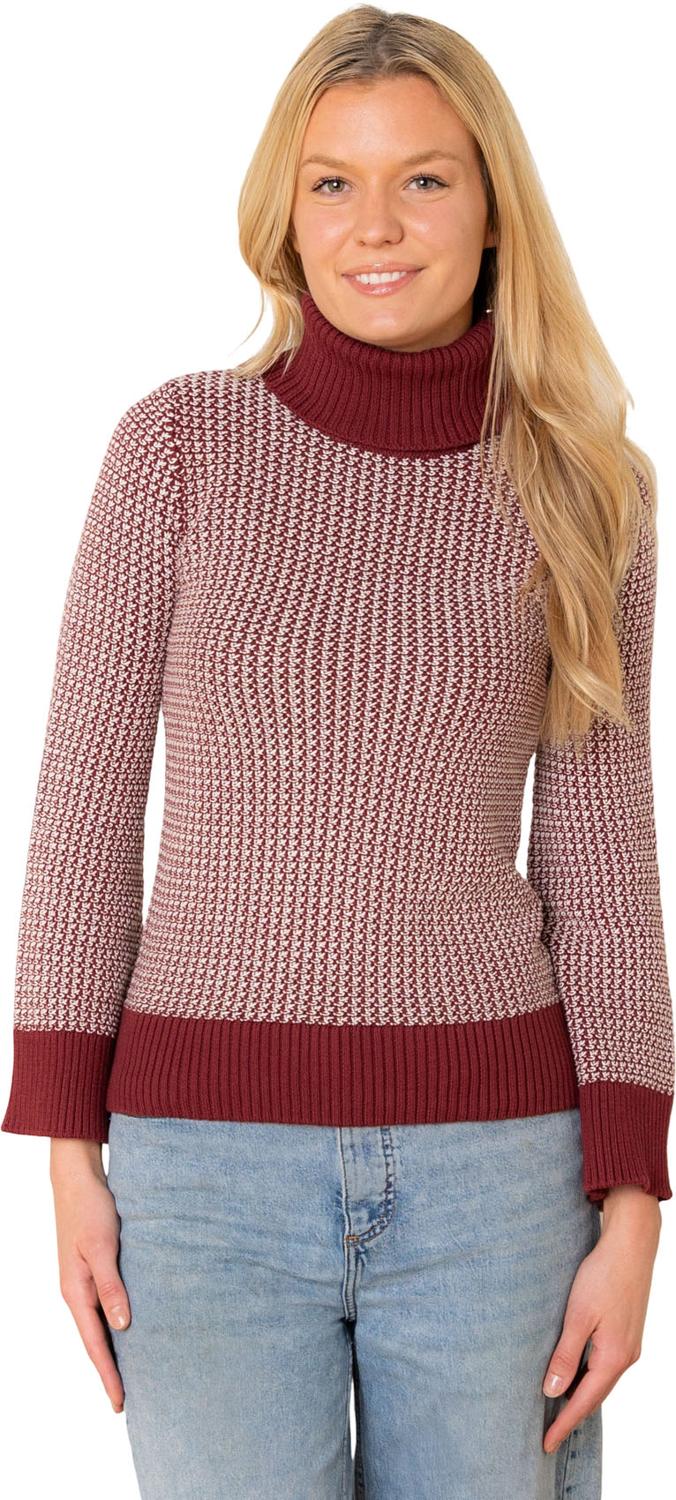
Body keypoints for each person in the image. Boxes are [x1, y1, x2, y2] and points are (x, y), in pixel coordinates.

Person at [2, 8, 673, 1498]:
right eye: (333, 183)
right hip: (202, 1178)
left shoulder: (587, 489)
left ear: (492, 208)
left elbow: (602, 855)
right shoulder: (179, 449)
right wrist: (63, 1152)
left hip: (500, 1175)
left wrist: (633, 1203)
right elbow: (85, 806)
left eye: (425, 179)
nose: (377, 226)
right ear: (284, 212)